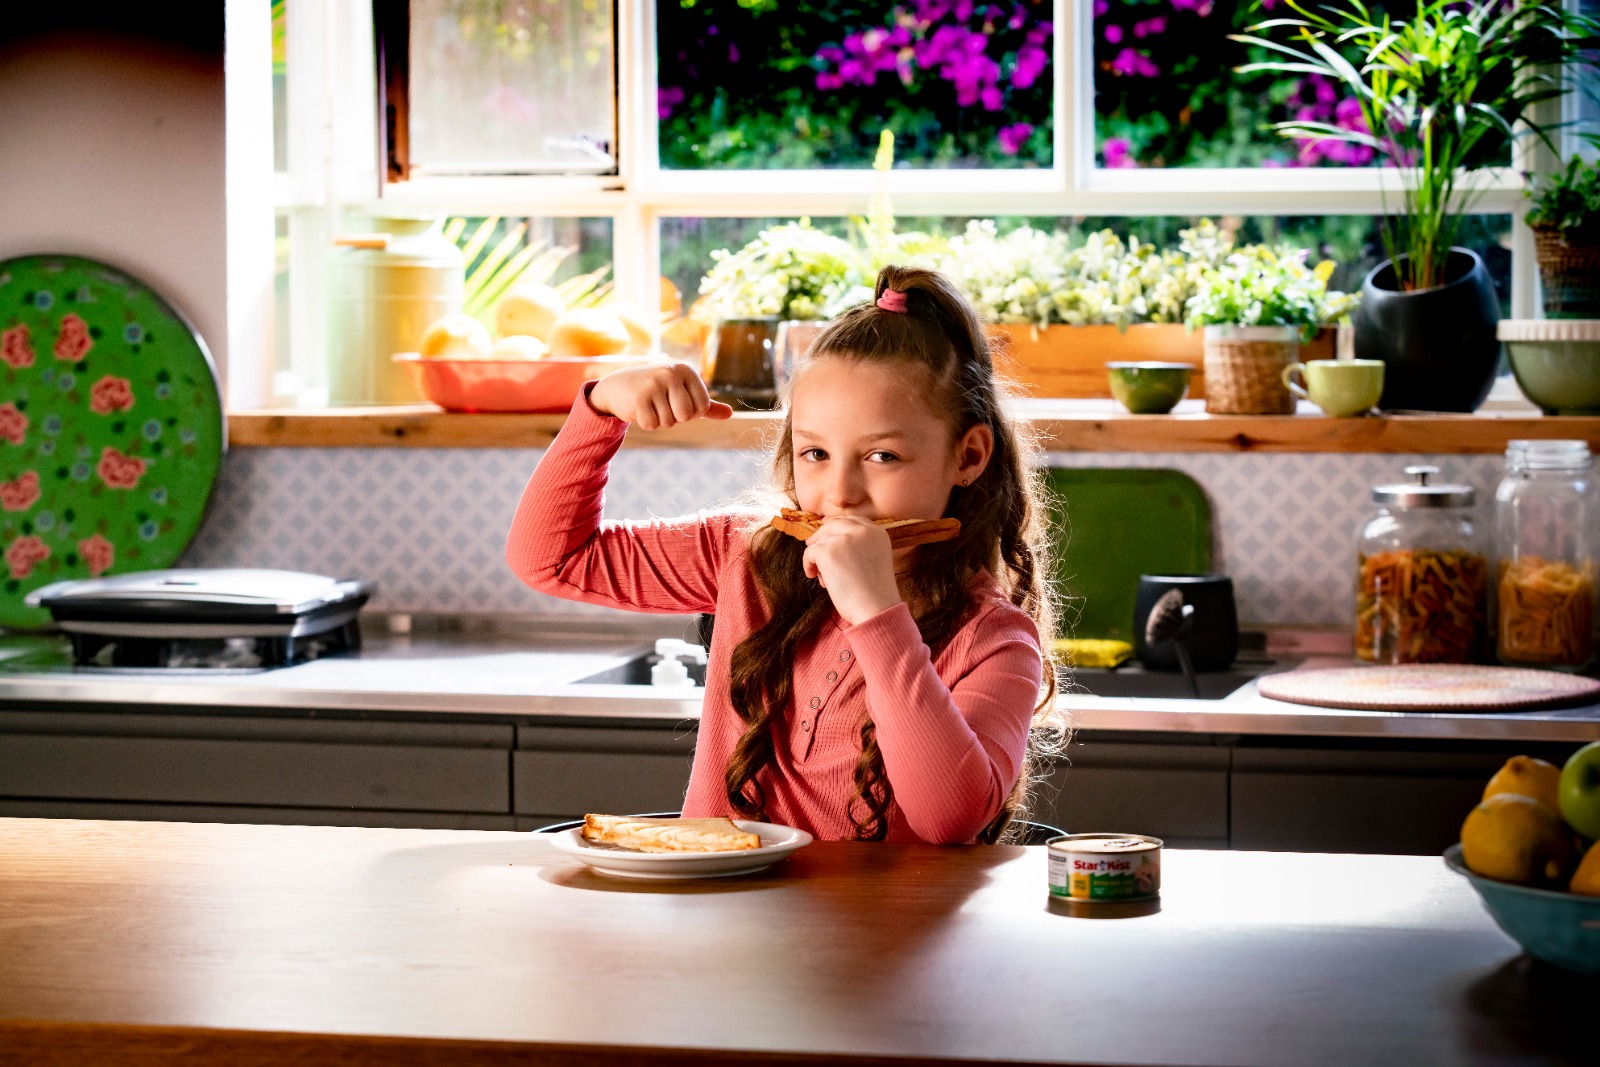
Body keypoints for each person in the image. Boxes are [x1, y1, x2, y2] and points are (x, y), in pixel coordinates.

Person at [506, 264, 1058, 844]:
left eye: (882, 457)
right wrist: (599, 411)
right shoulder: (745, 555)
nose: (840, 492)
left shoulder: (995, 641)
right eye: (815, 453)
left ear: (968, 456)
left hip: (884, 934)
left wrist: (877, 615)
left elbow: (948, 820)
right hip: (721, 923)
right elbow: (548, 559)